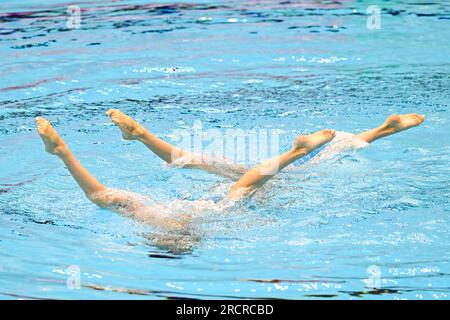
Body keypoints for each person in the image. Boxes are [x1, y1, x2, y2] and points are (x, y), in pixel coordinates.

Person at [35, 110, 425, 234]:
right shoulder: (196, 216)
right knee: (204, 163)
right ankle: (140, 135)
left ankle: (376, 132)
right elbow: (101, 196)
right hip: (258, 187)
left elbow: (100, 196)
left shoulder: (176, 218)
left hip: (254, 190)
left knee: (286, 173)